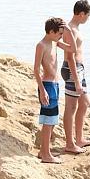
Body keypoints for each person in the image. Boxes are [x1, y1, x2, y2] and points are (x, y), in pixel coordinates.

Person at [33, 17, 76, 164]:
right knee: (48, 121)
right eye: (59, 33)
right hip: (47, 85)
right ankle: (46, 154)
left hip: (56, 85)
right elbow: (36, 70)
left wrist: (68, 30)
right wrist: (42, 89)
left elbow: (73, 49)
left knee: (52, 120)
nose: (60, 36)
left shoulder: (54, 42)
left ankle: (43, 151)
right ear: (51, 31)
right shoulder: (41, 45)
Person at [61, 0, 90, 155]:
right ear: (81, 14)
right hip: (72, 69)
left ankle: (79, 138)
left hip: (80, 69)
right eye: (87, 15)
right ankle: (69, 143)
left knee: (85, 101)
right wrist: (75, 79)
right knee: (71, 107)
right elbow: (69, 56)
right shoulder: (70, 30)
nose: (88, 18)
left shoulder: (76, 28)